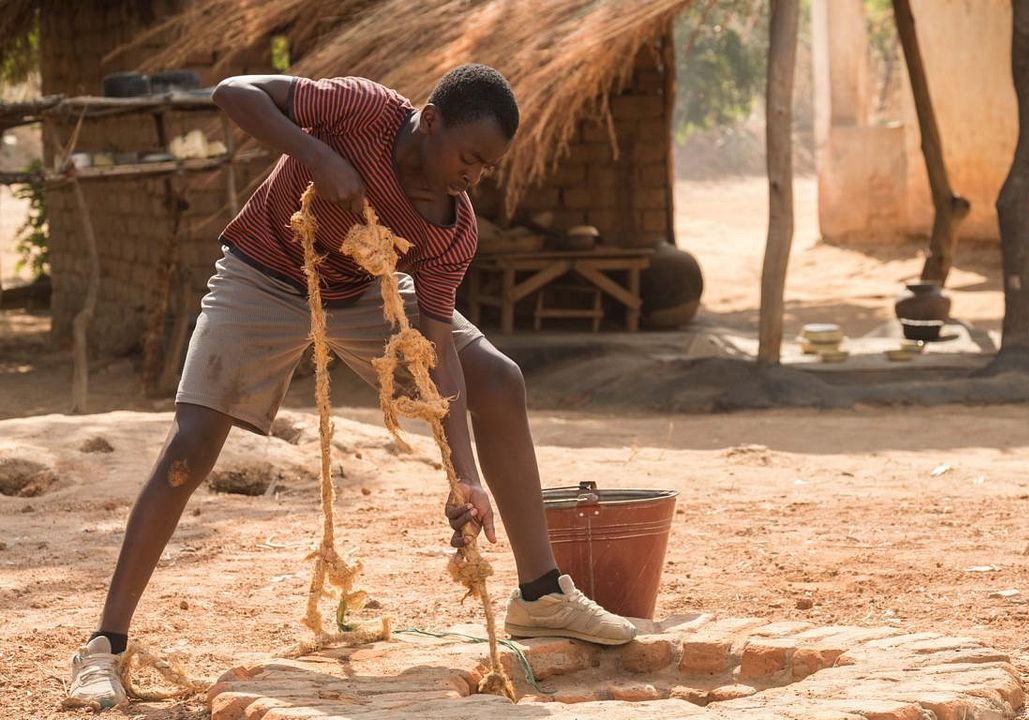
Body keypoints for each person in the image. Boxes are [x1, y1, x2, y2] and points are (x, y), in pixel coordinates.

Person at [66, 64, 636, 709]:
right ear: (432, 119)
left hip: (367, 293)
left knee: (499, 380)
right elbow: (233, 93)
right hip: (264, 275)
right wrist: (315, 154)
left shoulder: (450, 224)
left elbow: (435, 345)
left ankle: (540, 595)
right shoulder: (362, 110)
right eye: (469, 157)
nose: (474, 174)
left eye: (487, 167)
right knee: (189, 450)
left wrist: (465, 476)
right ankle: (105, 646)